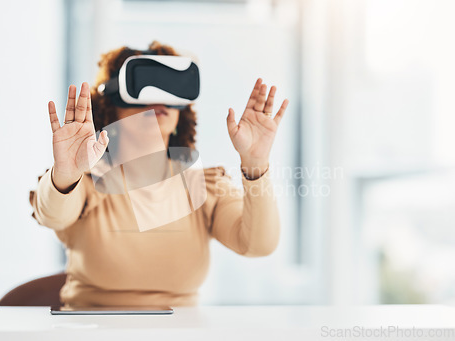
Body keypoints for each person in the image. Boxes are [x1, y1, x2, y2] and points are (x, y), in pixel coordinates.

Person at [29, 41, 289, 307]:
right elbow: (52, 214)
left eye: (169, 87)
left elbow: (259, 244)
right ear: (112, 103)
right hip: (92, 330)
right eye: (144, 85)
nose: (159, 97)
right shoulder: (86, 182)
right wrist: (66, 174)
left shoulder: (203, 186)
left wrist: (256, 163)